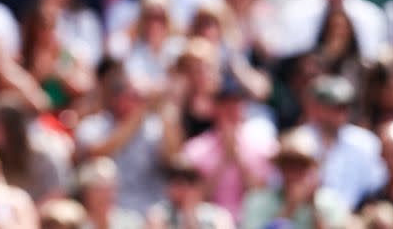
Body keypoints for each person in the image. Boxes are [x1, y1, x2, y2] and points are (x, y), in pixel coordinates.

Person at [75, 64, 183, 215]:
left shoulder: (155, 127)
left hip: (152, 211)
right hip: (111, 210)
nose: (141, 102)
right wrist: (135, 119)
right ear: (116, 97)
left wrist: (166, 113)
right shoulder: (94, 125)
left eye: (143, 98)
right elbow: (96, 154)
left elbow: (173, 160)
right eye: (135, 96)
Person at [181, 82, 277, 220]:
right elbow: (194, 198)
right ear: (215, 108)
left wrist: (237, 157)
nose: (231, 110)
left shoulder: (262, 144)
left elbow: (261, 194)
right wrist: (223, 160)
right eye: (225, 104)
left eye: (236, 104)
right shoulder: (196, 149)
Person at [299, 75, 387, 209]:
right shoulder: (299, 140)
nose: (340, 113)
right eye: (334, 107)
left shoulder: (365, 142)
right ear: (317, 107)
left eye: (344, 107)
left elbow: (376, 187)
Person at [241, 127, 352, 229]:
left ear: (310, 169)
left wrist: (313, 207)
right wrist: (290, 207)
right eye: (289, 165)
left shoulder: (328, 201)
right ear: (280, 168)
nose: (293, 173)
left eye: (300, 165)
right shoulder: (259, 200)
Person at [145, 156, 234, 229]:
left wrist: (190, 216)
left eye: (189, 181)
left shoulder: (218, 216)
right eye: (176, 182)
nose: (183, 188)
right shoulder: (158, 214)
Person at [74, 156, 143, 229]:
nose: (106, 195)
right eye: (99, 189)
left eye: (110, 189)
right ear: (86, 193)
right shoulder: (75, 224)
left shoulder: (131, 222)